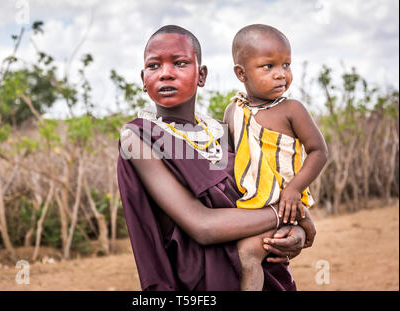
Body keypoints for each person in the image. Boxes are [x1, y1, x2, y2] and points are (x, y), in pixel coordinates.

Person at [117, 25, 316, 291]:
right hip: (198, 283)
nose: (166, 73)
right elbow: (202, 225)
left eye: (180, 63)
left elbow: (260, 196)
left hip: (259, 272)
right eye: (154, 66)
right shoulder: (138, 138)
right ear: (143, 78)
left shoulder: (223, 130)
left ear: (201, 75)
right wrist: (292, 216)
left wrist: (295, 232)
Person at [223, 24, 328, 290]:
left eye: (286, 64)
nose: (281, 74)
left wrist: (294, 189)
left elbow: (318, 151)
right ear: (241, 73)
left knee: (248, 255)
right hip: (248, 207)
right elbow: (227, 159)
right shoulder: (232, 112)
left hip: (284, 205)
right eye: (268, 66)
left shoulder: (292, 109)